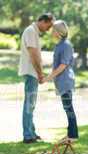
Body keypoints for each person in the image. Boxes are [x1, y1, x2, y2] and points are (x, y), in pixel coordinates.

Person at [18, 13, 54, 143]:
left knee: (31, 104)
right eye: (48, 26)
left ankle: (31, 132)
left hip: (32, 72)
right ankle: (28, 135)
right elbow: (33, 55)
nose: (49, 29)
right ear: (43, 21)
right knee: (29, 104)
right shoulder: (30, 31)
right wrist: (40, 73)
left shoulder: (33, 32)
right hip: (31, 72)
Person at [42, 20, 79, 143]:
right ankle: (70, 134)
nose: (51, 32)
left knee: (69, 108)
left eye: (53, 30)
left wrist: (49, 77)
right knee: (67, 107)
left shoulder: (66, 45)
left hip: (66, 81)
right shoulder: (60, 45)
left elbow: (63, 65)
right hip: (61, 81)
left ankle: (73, 136)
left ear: (58, 32)